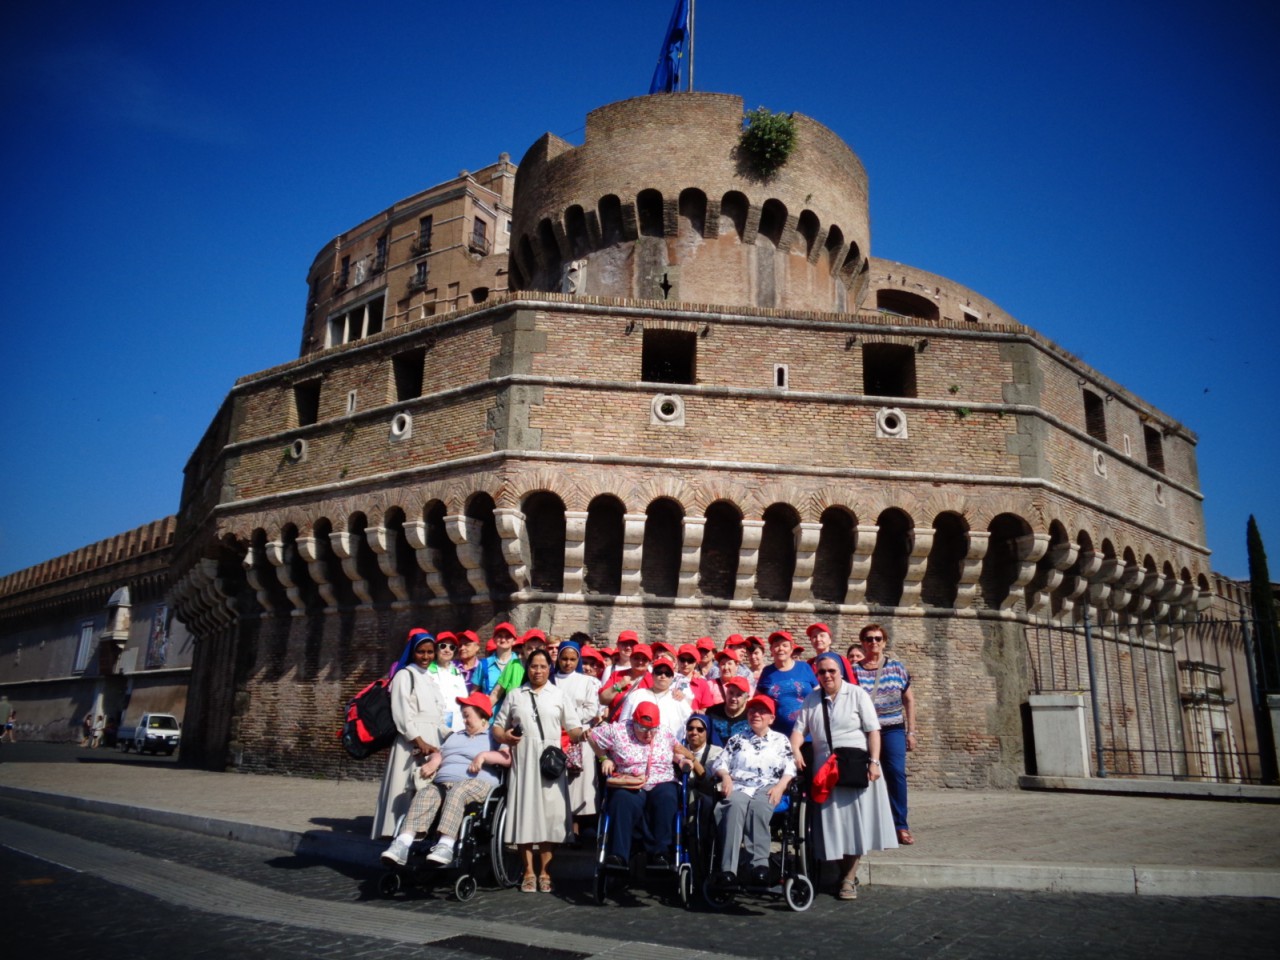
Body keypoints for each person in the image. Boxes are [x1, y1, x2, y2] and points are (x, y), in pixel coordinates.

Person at [791, 652, 898, 900]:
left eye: (831, 671)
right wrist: (796, 749)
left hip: (854, 767)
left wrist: (874, 762)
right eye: (821, 672)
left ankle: (849, 879)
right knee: (833, 826)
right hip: (825, 771)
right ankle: (842, 873)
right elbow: (799, 731)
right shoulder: (812, 698)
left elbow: (873, 731)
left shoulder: (857, 694)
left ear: (840, 671)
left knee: (855, 826)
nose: (827, 675)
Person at [380, 691, 511, 867]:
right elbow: (440, 754)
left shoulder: (493, 736)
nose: (464, 720)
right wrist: (434, 761)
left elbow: (507, 758)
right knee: (427, 792)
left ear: (482, 716)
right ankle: (401, 844)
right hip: (443, 783)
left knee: (458, 791)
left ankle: (446, 845)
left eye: (467, 716)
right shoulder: (456, 736)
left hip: (479, 784)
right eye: (463, 716)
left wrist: (484, 756)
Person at [492, 648, 586, 893]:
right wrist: (505, 736)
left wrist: (584, 734)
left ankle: (545, 871)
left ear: (549, 669)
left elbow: (573, 728)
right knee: (525, 814)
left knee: (550, 818)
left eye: (543, 666)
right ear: (528, 667)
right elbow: (498, 727)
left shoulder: (559, 694)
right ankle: (528, 872)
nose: (538, 670)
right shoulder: (515, 695)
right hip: (523, 759)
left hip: (550, 763)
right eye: (534, 666)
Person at [587, 701, 688, 869]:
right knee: (622, 800)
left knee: (668, 797)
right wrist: (605, 758)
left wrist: (683, 760)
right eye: (643, 729)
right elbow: (592, 736)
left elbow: (677, 751)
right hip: (630, 780)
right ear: (634, 722)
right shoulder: (618, 730)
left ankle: (661, 853)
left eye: (653, 729)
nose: (649, 735)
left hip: (661, 779)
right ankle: (618, 855)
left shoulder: (664, 732)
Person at [709, 694, 796, 888]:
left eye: (762, 711)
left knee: (758, 807)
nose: (756, 714)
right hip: (739, 784)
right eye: (752, 710)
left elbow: (790, 767)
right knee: (733, 806)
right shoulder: (737, 739)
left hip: (768, 785)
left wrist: (781, 786)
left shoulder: (780, 740)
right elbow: (720, 762)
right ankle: (728, 869)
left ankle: (759, 865)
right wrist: (725, 776)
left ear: (771, 718)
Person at [372, 630, 448, 840]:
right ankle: (393, 831)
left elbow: (439, 714)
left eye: (430, 652)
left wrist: (450, 736)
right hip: (411, 740)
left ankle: (419, 831)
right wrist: (418, 739)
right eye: (421, 652)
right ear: (412, 653)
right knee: (404, 788)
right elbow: (401, 712)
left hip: (433, 738)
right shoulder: (404, 676)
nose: (426, 657)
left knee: (425, 788)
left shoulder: (431, 678)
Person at [853, 623, 917, 845]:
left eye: (878, 639)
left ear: (884, 642)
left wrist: (911, 732)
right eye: (869, 639)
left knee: (896, 773)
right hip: (864, 730)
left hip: (892, 729)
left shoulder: (897, 668)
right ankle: (867, 823)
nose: (874, 642)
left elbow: (909, 700)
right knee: (861, 774)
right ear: (863, 642)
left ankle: (900, 825)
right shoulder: (854, 671)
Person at [553, 634, 603, 839]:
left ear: (578, 660)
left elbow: (591, 709)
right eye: (564, 659)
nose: (567, 663)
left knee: (578, 782)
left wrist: (569, 719)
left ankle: (577, 826)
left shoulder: (587, 681)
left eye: (572, 659)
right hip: (555, 732)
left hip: (578, 734)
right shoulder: (551, 679)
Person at [755, 630, 818, 737]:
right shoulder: (767, 672)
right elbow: (758, 700)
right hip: (778, 735)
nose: (781, 649)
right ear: (771, 650)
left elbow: (818, 693)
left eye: (785, 645)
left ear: (791, 649)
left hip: (808, 733)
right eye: (776, 645)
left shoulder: (804, 667)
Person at [619, 654, 691, 739]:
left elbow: (689, 727)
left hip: (669, 750)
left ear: (672, 677)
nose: (663, 676)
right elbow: (622, 725)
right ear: (652, 675)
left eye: (667, 673)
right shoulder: (636, 695)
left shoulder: (679, 700)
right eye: (659, 672)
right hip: (637, 748)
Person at [431, 632, 470, 733]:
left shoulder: (457, 673)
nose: (447, 650)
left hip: (457, 725)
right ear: (436, 649)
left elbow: (464, 699)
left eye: (452, 647)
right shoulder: (426, 671)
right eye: (443, 646)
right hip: (433, 725)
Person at [476, 622, 520, 703]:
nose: (503, 640)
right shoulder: (484, 664)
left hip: (513, 714)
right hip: (490, 713)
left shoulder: (520, 664)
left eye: (508, 637)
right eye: (500, 636)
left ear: (514, 641)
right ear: (494, 639)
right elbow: (474, 692)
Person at [705, 675, 752, 746]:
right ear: (726, 693)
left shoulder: (751, 716)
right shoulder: (712, 712)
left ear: (747, 698)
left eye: (739, 695)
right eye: (731, 693)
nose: (733, 698)